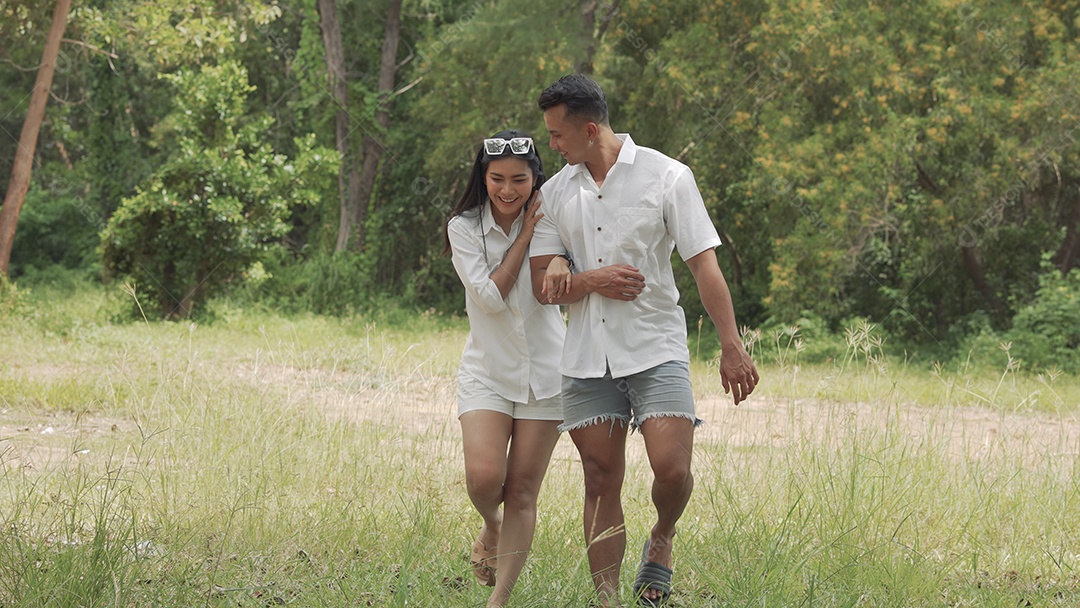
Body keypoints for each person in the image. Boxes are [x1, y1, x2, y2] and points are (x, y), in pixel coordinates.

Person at [529, 75, 760, 607]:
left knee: (673, 468)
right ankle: (607, 600)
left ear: (589, 130)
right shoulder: (555, 193)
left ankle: (663, 534)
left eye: (559, 136)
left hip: (656, 346)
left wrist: (731, 344)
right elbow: (546, 285)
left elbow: (704, 264)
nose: (553, 147)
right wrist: (587, 278)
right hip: (587, 356)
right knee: (600, 478)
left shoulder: (668, 177)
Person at [444, 129, 572, 608]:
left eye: (519, 179)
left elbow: (572, 265)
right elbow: (491, 297)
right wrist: (523, 238)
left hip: (547, 374)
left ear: (535, 178)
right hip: (487, 372)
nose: (507, 189)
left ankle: (499, 599)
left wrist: (556, 250)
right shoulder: (463, 226)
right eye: (497, 178)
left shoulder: (554, 217)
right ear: (484, 176)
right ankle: (491, 526)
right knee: (483, 478)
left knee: (521, 491)